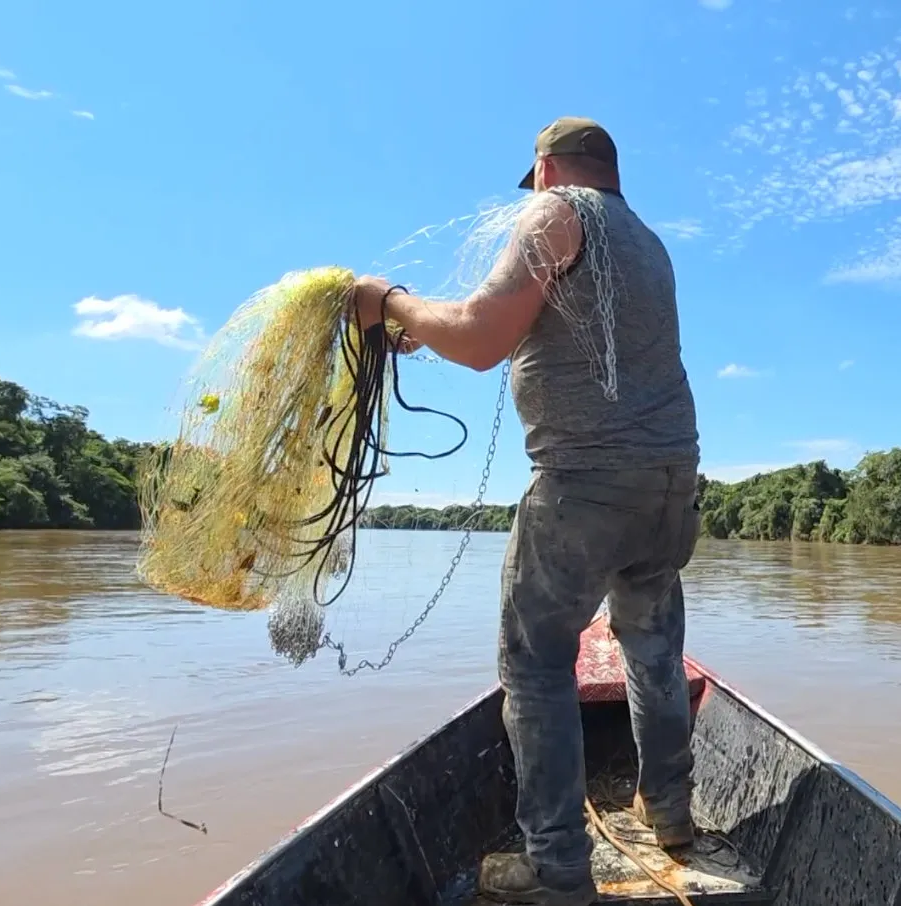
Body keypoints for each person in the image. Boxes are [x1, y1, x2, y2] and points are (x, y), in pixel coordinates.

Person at [353, 116, 701, 906]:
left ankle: (555, 870)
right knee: (651, 651)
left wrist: (389, 301)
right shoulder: (646, 241)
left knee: (536, 666)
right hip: (672, 482)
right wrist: (418, 333)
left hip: (585, 484)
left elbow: (479, 339)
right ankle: (669, 814)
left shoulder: (555, 212)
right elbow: (538, 334)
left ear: (545, 168)